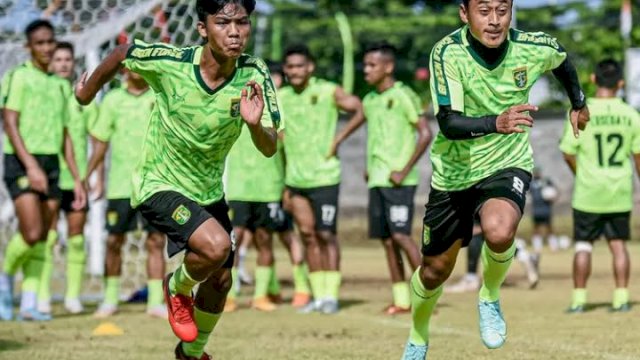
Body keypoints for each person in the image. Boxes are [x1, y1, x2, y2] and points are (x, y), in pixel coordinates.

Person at [75, 0, 279, 358]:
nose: (234, 32)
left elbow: (269, 146)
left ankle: (190, 352)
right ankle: (177, 285)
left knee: (221, 279)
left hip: (208, 191)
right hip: (159, 184)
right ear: (203, 29)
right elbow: (124, 51)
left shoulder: (254, 73)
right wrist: (87, 91)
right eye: (223, 23)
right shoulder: (171, 62)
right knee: (216, 248)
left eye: (242, 23)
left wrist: (254, 125)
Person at [401, 0, 590, 358]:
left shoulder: (533, 47)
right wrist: (496, 122)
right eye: (484, 10)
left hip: (508, 161)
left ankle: (488, 296)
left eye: (502, 10)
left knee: (500, 231)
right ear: (464, 13)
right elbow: (449, 122)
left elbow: (562, 59)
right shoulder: (447, 54)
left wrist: (577, 102)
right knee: (433, 272)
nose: (494, 21)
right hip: (454, 174)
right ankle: (418, 335)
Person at [0, 19, 86, 321]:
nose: (47, 48)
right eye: (40, 43)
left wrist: (76, 179)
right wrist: (31, 165)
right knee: (32, 230)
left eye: (50, 41)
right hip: (22, 161)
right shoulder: (17, 78)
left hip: (52, 164)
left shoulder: (60, 85)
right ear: (29, 47)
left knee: (41, 238)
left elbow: (66, 136)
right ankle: (5, 278)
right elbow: (9, 122)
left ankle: (29, 303)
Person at [280, 44, 364, 314]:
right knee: (307, 235)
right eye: (290, 67)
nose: (294, 71)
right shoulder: (280, 97)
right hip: (296, 179)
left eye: (299, 66)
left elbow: (360, 109)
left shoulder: (328, 90)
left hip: (325, 176)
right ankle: (318, 297)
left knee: (326, 234)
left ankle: (331, 295)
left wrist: (339, 138)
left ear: (310, 67)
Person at [225, 61, 309, 312]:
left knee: (265, 240)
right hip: (239, 186)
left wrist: (286, 184)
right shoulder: (234, 103)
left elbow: (284, 146)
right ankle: (229, 296)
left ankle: (261, 295)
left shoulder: (276, 109)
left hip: (269, 187)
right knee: (234, 241)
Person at [85, 68, 167, 319]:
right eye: (134, 63)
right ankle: (110, 299)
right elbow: (101, 141)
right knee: (114, 241)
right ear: (124, 69)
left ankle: (155, 302)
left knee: (156, 242)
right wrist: (93, 176)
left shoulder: (161, 95)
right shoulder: (112, 100)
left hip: (155, 184)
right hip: (121, 185)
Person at [560, 59, 639, 313]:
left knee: (583, 245)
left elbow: (568, 153)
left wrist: (581, 173)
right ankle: (621, 298)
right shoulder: (631, 115)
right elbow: (638, 158)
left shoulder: (580, 111)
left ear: (593, 80)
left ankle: (579, 300)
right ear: (621, 83)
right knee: (618, 245)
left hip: (588, 191)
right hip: (619, 191)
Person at [361, 42, 431, 315]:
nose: (366, 70)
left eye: (372, 65)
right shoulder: (370, 100)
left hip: (400, 181)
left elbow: (425, 134)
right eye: (365, 65)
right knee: (388, 241)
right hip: (377, 180)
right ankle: (401, 300)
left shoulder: (404, 95)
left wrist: (403, 169)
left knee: (402, 237)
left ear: (388, 67)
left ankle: (425, 297)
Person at [37, 42, 99, 315]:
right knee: (47, 238)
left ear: (73, 63)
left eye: (67, 59)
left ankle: (72, 297)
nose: (63, 63)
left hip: (77, 181)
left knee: (76, 237)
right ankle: (41, 296)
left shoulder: (83, 99)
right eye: (58, 59)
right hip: (49, 175)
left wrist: (93, 175)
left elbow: (99, 140)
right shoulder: (44, 95)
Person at [529, 167, 560, 253]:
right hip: (536, 210)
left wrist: (553, 198)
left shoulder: (547, 182)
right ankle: (537, 248)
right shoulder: (531, 183)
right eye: (535, 172)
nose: (537, 174)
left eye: (538, 172)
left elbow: (555, 191)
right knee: (536, 228)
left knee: (549, 228)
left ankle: (554, 247)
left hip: (546, 209)